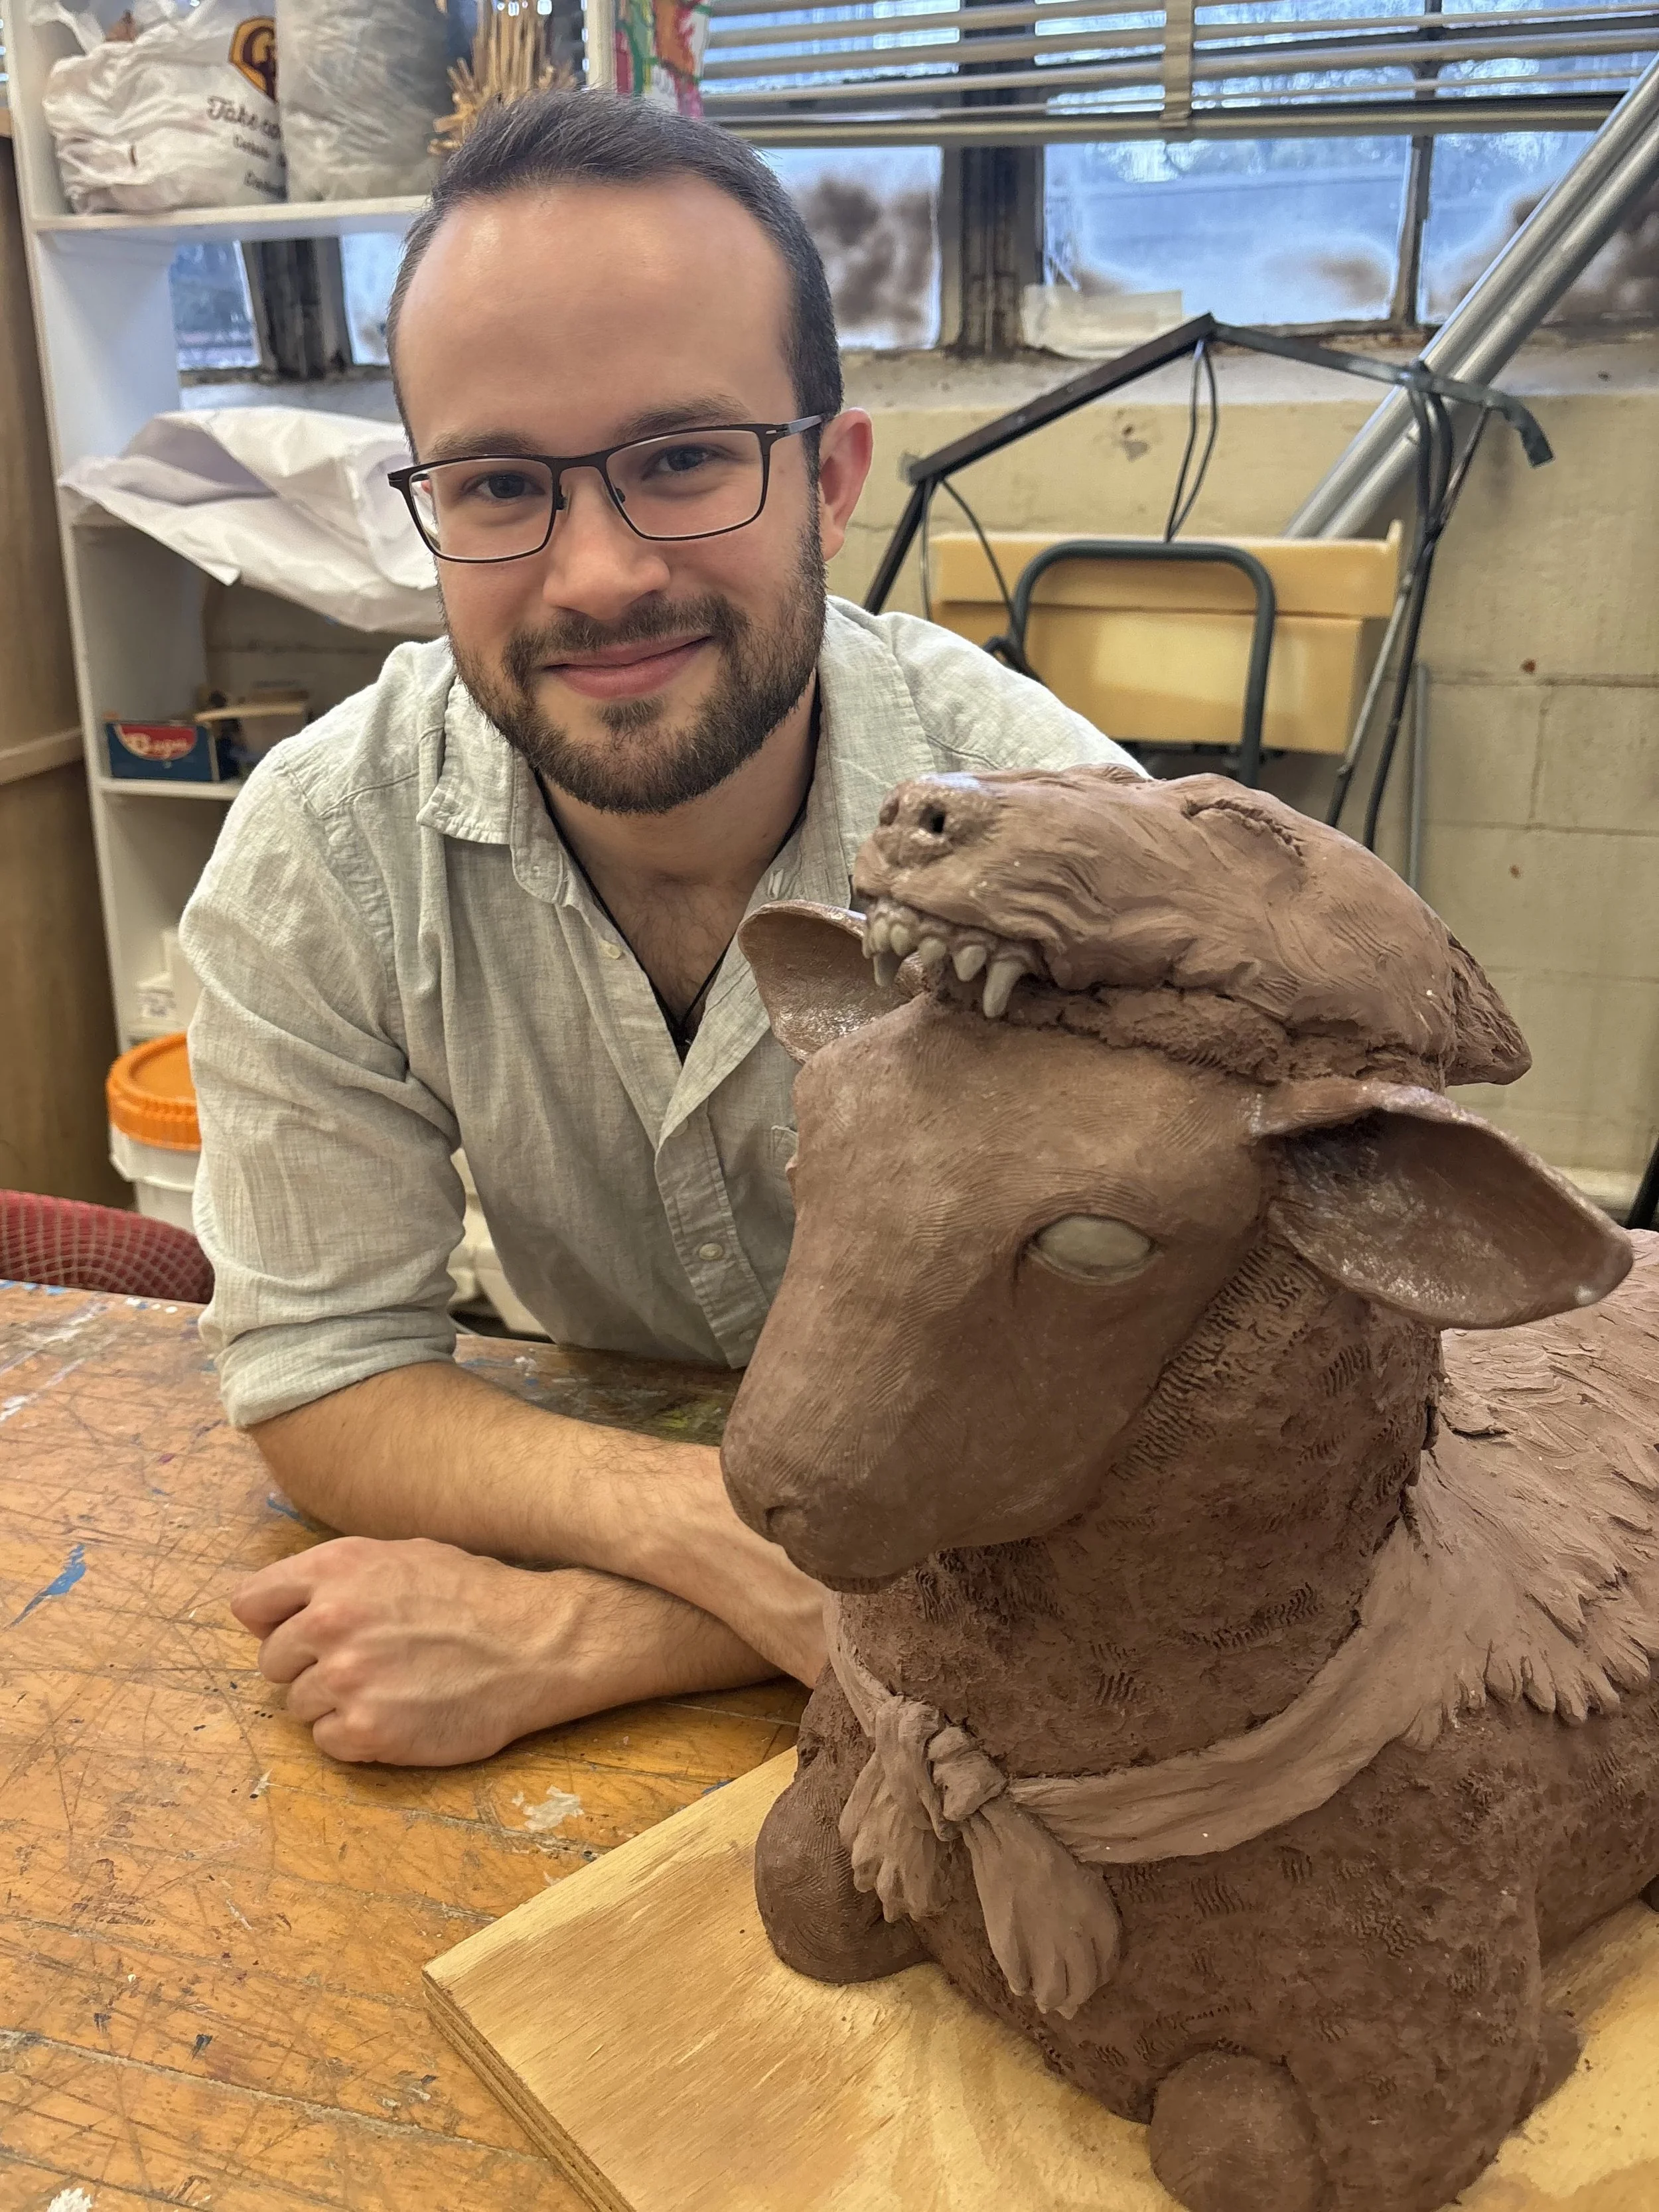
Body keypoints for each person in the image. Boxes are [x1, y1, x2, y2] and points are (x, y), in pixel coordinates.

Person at [181, 89, 1139, 1769]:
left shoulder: (1068, 847)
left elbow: (1192, 1414)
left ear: (827, 480)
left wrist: (591, 1633)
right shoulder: (323, 851)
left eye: (681, 459)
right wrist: (712, 1533)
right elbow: (320, 1369)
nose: (598, 575)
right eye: (499, 485)